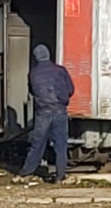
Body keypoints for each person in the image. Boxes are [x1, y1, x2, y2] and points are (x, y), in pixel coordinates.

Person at [13, 44, 75, 184]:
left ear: (36, 57)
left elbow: (32, 92)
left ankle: (26, 173)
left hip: (43, 113)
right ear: (48, 54)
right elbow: (71, 89)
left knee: (38, 143)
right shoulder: (60, 70)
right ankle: (60, 176)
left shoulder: (33, 73)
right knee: (60, 145)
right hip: (60, 110)